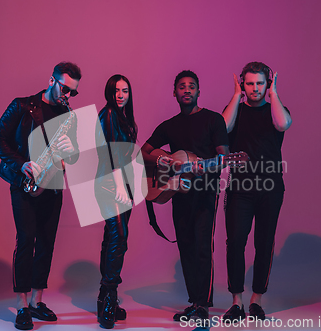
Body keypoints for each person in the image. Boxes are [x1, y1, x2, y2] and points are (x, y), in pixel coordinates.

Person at [0, 62, 81, 330]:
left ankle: (37, 301)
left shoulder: (69, 115)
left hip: (53, 184)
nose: (68, 96)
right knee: (27, 239)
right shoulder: (22, 105)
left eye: (73, 93)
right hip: (25, 182)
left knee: (47, 242)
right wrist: (21, 164)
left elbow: (73, 156)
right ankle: (21, 304)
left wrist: (70, 152)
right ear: (51, 80)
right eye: (65, 88)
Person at [141, 70, 229, 322]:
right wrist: (164, 158)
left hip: (205, 191)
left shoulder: (213, 120)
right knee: (186, 245)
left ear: (199, 91)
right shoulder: (169, 125)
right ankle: (194, 302)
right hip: (178, 191)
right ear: (175, 93)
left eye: (192, 86)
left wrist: (207, 165)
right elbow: (144, 152)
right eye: (182, 86)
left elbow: (223, 158)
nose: (187, 90)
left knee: (202, 245)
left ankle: (203, 304)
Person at [221, 62, 292, 321]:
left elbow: (283, 124)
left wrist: (274, 94)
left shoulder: (276, 110)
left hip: (270, 188)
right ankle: (237, 301)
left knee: (264, 243)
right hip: (240, 187)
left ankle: (256, 300)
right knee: (236, 242)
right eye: (249, 83)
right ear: (243, 83)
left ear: (268, 83)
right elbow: (223, 128)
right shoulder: (236, 111)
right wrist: (235, 96)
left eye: (260, 83)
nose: (254, 88)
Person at [94, 74, 137, 329]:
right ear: (109, 92)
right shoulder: (108, 114)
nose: (121, 95)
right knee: (118, 237)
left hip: (125, 184)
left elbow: (127, 154)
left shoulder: (124, 117)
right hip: (110, 184)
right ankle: (109, 298)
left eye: (125, 90)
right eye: (116, 90)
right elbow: (110, 153)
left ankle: (104, 299)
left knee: (114, 238)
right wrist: (120, 185)